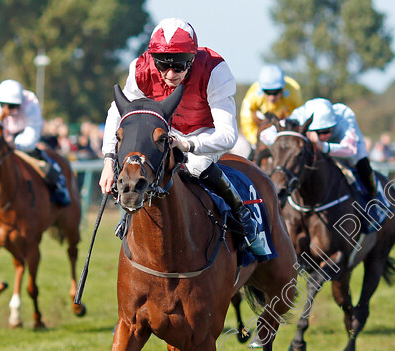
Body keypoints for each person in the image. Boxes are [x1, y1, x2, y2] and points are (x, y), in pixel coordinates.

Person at [99, 17, 268, 258]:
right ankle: (129, 215)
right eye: (163, 65)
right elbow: (118, 112)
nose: (170, 74)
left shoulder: (215, 70)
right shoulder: (141, 68)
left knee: (196, 165)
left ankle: (242, 214)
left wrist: (189, 144)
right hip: (165, 134)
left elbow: (228, 135)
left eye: (179, 66)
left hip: (204, 135)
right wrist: (108, 160)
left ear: (192, 58)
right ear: (152, 59)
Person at [0, 79, 70, 206]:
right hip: (1, 139)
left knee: (45, 167)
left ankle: (59, 188)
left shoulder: (31, 104)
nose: (7, 110)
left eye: (12, 106)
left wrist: (15, 144)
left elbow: (32, 134)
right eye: (3, 105)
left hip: (23, 139)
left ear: (19, 104)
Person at [285, 97, 376, 196]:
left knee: (361, 163)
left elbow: (351, 151)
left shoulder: (344, 119)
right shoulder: (298, 115)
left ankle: (373, 197)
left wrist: (322, 146)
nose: (321, 136)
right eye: (317, 132)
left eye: (325, 131)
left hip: (348, 149)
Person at [239, 64, 303, 151]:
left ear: (282, 89)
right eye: (268, 92)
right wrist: (255, 141)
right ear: (262, 90)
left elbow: (300, 118)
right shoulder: (253, 94)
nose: (272, 97)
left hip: (285, 133)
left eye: (276, 92)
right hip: (259, 132)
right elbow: (247, 121)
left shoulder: (293, 91)